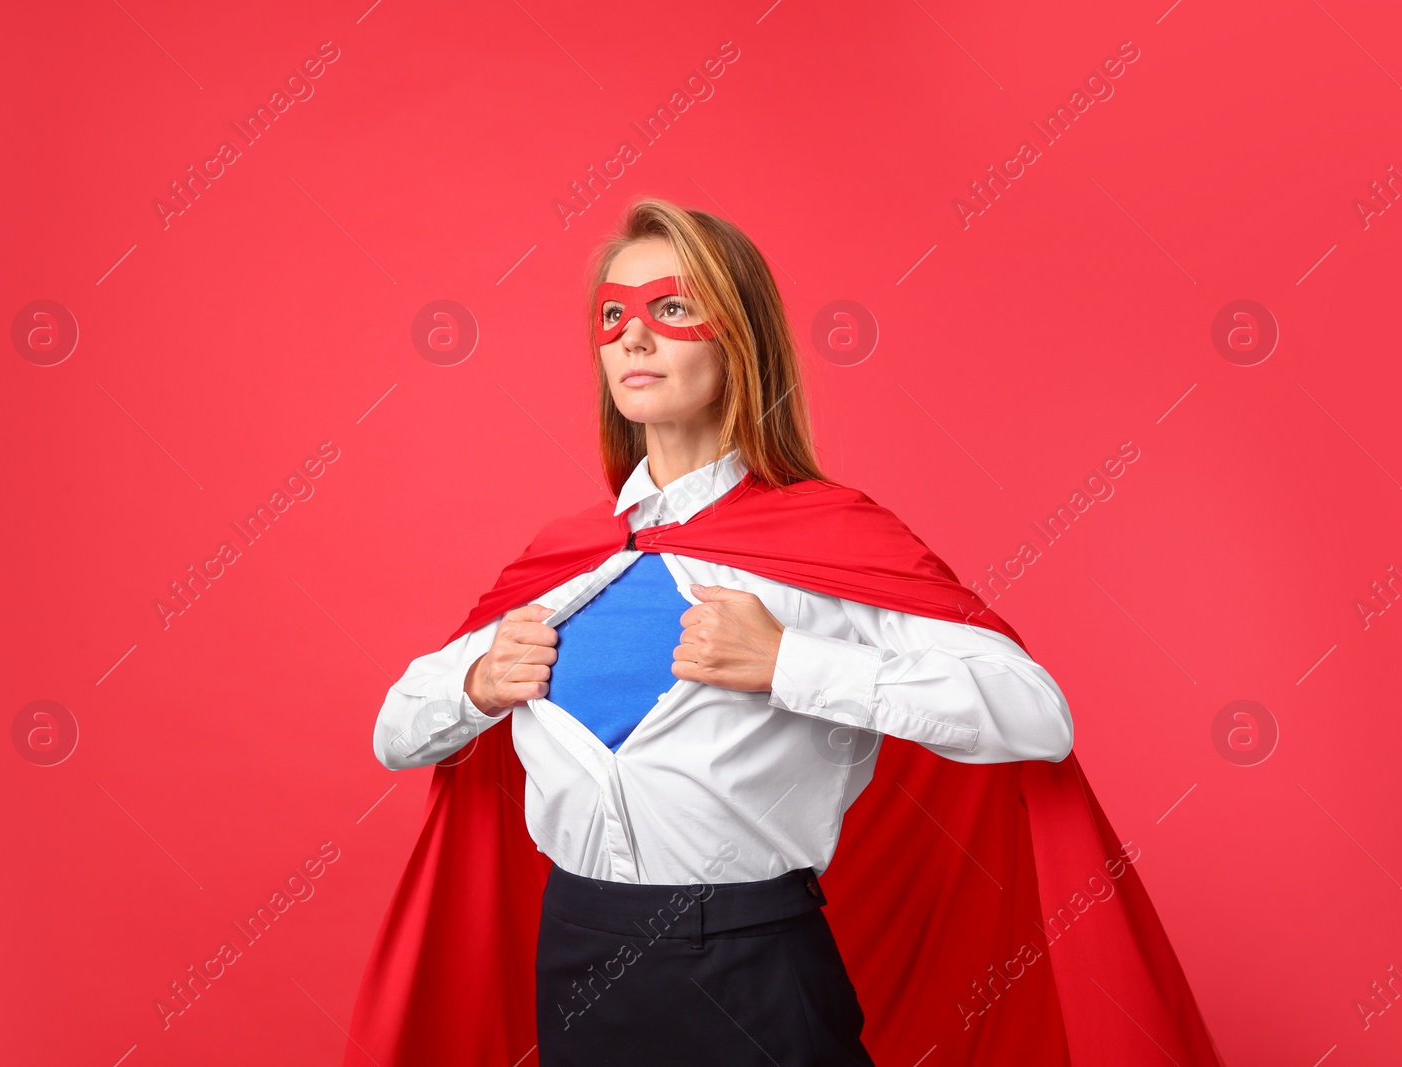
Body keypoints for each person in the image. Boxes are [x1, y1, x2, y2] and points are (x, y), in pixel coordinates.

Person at [343, 199, 1223, 1067]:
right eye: (612, 315)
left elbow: (1036, 715)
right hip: (577, 958)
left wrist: (789, 663)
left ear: (741, 338)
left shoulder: (830, 541)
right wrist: (476, 684)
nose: (631, 337)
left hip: (754, 968)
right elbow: (393, 733)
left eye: (671, 307)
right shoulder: (564, 560)